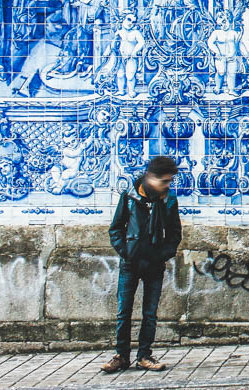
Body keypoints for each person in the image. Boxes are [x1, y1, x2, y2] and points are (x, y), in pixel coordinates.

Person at [102, 156, 182, 374]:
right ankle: (121, 356)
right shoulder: (129, 197)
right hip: (131, 263)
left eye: (169, 181)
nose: (167, 185)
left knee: (150, 313)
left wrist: (163, 254)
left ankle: (144, 355)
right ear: (150, 178)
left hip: (154, 264)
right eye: (164, 181)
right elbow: (115, 228)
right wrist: (125, 252)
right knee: (123, 311)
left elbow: (175, 233)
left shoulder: (169, 200)